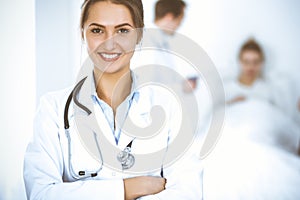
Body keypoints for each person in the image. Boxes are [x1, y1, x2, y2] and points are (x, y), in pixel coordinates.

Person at [23, 0, 202, 199]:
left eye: (122, 31)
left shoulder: (170, 107)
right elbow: (41, 194)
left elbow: (188, 193)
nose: (110, 43)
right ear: (83, 33)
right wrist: (126, 189)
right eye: (97, 30)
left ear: (139, 35)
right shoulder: (53, 109)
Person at [225, 38, 272, 104]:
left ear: (262, 63)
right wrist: (231, 104)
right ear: (240, 62)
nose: (251, 67)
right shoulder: (227, 89)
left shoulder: (268, 90)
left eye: (255, 62)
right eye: (246, 62)